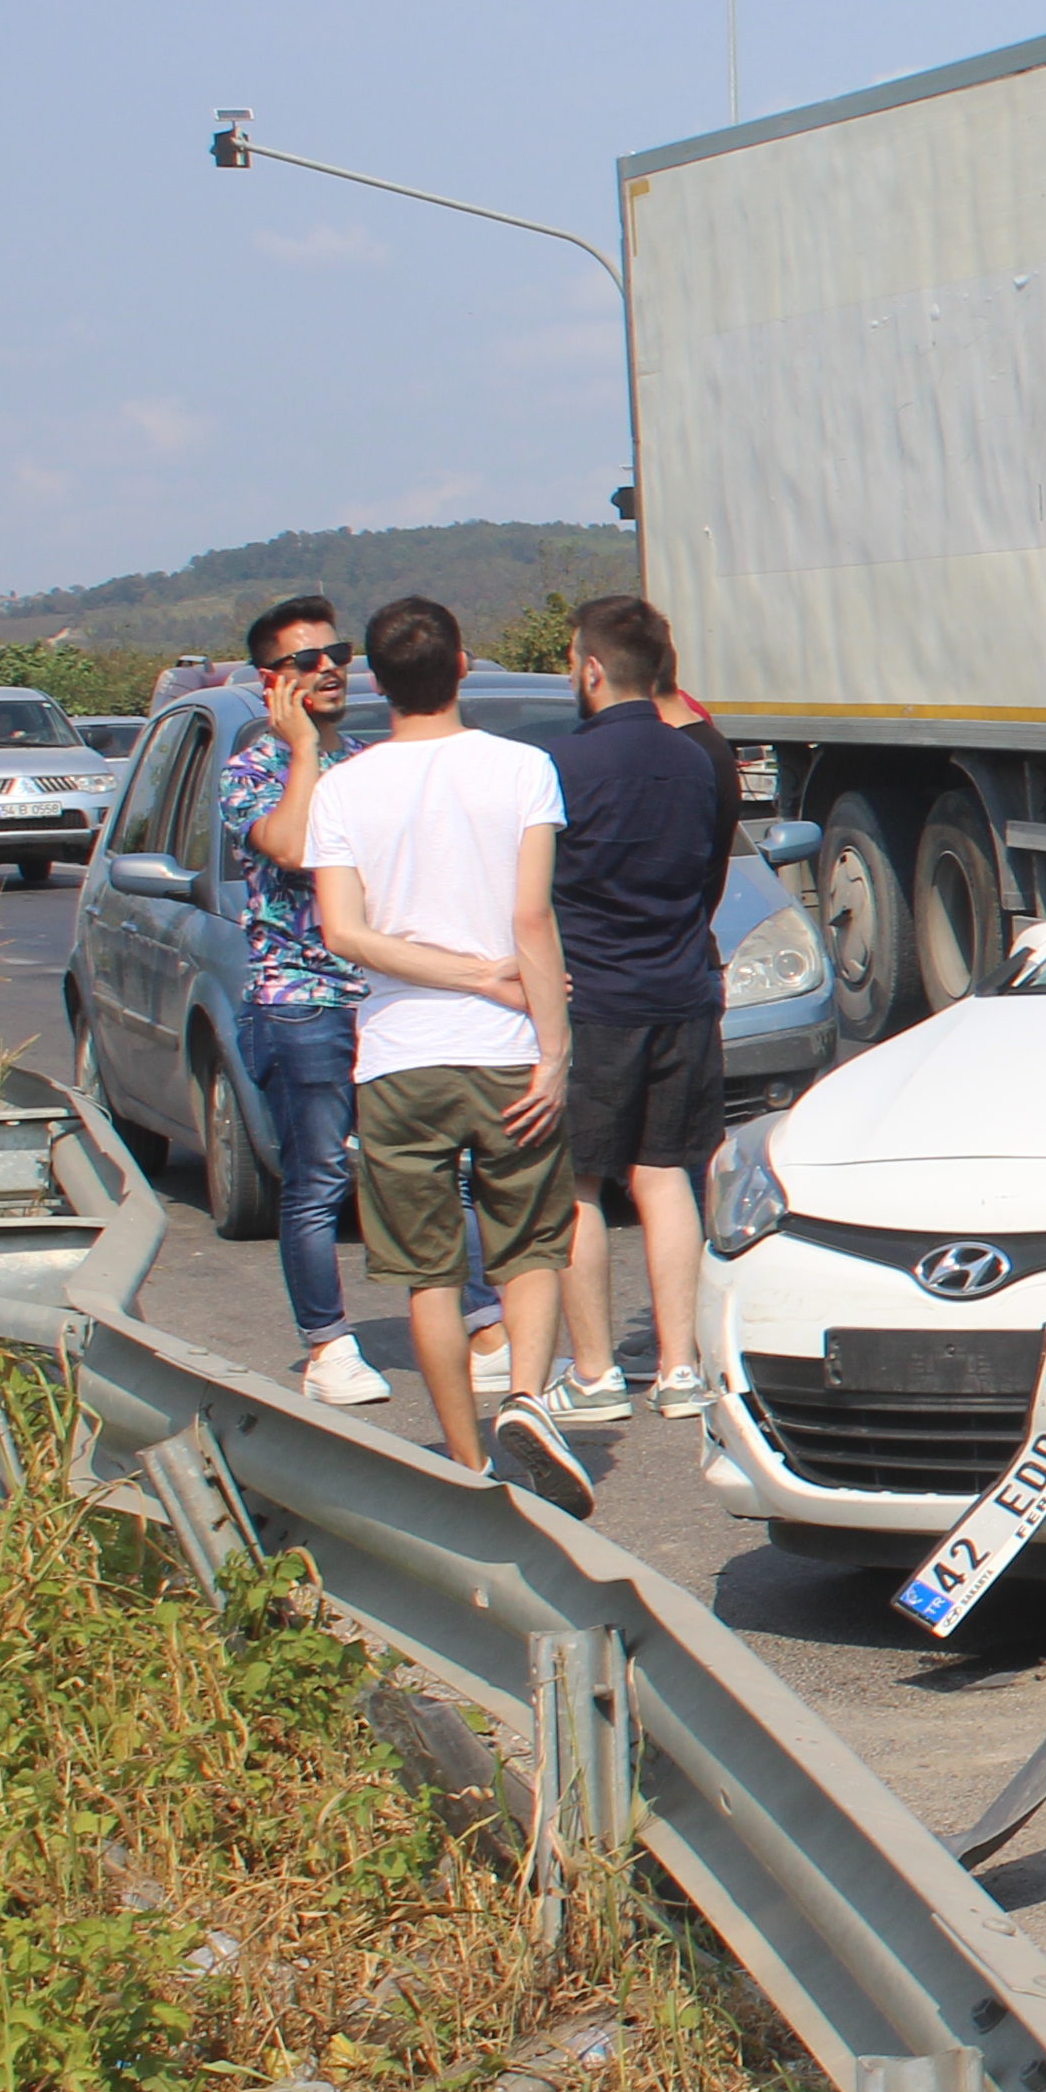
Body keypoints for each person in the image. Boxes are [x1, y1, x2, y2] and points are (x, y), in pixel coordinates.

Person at [305, 595, 593, 1521]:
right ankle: (527, 1404)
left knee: (428, 1272)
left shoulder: (343, 789)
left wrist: (454, 975)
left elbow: (344, 933)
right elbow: (530, 919)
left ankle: (466, 1461)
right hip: (508, 1049)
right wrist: (549, 1045)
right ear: (463, 665)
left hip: (395, 1058)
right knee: (531, 1244)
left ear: (372, 683)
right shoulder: (523, 768)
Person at [538, 596, 735, 1424]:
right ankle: (678, 1369)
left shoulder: (560, 765)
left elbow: (534, 893)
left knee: (578, 1182)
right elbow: (709, 875)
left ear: (589, 668)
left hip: (597, 997)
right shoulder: (700, 758)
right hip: (684, 989)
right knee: (666, 1176)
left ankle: (592, 1374)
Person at [213, 593, 392, 1408]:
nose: (329, 670)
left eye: (338, 655)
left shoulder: (367, 762)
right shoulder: (252, 771)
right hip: (300, 1001)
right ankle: (327, 1345)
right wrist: (298, 750)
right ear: (271, 682)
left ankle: (483, 1321)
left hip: (384, 996)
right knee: (317, 1179)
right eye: (307, 661)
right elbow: (291, 846)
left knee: (436, 1167)